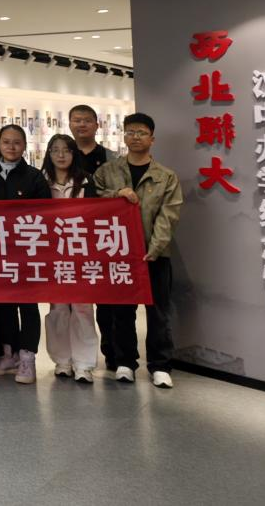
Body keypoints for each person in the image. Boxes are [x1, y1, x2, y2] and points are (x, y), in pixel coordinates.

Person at [93, 113, 183, 389]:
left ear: (152, 139)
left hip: (154, 255)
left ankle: (160, 365)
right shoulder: (107, 172)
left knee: (158, 312)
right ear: (124, 136)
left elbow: (169, 215)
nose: (135, 137)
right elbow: (94, 201)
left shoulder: (166, 176)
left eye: (141, 132)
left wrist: (154, 248)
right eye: (130, 132)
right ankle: (125, 362)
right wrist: (116, 194)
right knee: (121, 311)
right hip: (118, 254)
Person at [0, 124, 50, 384]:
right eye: (6, 142)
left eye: (16, 142)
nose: (11, 147)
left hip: (27, 251)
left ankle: (27, 357)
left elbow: (47, 215)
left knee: (28, 304)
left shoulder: (34, 177)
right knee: (3, 304)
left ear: (24, 146)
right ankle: (9, 353)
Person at [42, 134, 98, 383]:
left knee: (83, 307)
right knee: (58, 308)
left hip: (81, 253)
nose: (61, 155)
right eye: (55, 150)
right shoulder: (41, 181)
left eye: (66, 150)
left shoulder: (87, 182)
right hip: (52, 254)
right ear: (49, 154)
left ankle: (84, 364)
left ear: (74, 154)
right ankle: (62, 361)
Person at [70, 103, 114, 369]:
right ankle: (76, 357)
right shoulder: (63, 154)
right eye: (77, 120)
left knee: (107, 301)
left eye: (87, 120)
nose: (82, 124)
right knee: (73, 304)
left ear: (97, 125)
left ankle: (111, 353)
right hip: (71, 241)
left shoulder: (110, 158)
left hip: (101, 238)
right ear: (70, 124)